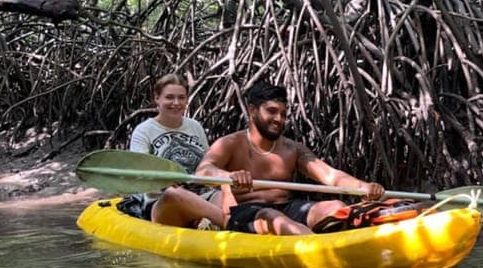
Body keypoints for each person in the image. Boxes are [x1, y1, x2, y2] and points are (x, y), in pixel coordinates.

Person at [195, 80, 384, 235]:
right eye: (272, 111)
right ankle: (320, 250)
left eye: (283, 114)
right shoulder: (230, 143)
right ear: (252, 110)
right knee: (273, 217)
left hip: (287, 208)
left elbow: (331, 175)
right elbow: (203, 171)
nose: (279, 119)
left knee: (336, 207)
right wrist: (229, 176)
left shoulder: (292, 149)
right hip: (247, 212)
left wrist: (363, 187)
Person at [129, 74, 229, 228]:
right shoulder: (143, 131)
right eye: (169, 97)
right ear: (157, 98)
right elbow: (141, 172)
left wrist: (224, 177)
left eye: (181, 98)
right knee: (174, 193)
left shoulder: (195, 126)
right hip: (163, 201)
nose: (176, 103)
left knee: (224, 194)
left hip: (201, 195)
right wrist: (165, 178)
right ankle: (231, 224)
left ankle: (204, 222)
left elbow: (206, 165)